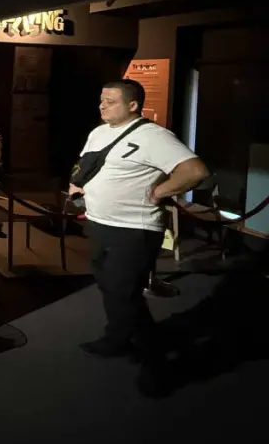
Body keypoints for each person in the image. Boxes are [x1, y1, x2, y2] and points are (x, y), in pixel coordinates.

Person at [70, 79, 209, 362]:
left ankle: (125, 342)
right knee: (111, 284)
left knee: (122, 289)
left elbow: (195, 171)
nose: (102, 106)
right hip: (100, 222)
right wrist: (78, 185)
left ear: (132, 105)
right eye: (101, 100)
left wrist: (159, 192)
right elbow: (85, 165)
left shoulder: (154, 136)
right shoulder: (99, 132)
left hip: (133, 228)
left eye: (111, 102)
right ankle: (142, 337)